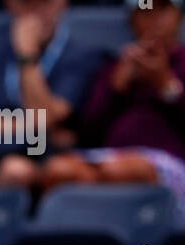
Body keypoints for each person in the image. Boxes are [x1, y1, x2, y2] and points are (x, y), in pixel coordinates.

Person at [37, 0, 185, 230]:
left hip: (167, 165)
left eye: (162, 12)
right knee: (59, 170)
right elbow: (88, 133)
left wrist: (166, 85)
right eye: (145, 13)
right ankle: (90, 234)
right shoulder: (112, 68)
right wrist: (116, 88)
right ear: (132, 21)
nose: (154, 22)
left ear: (178, 17)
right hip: (106, 159)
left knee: (127, 169)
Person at [0, 0, 102, 188]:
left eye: (44, 3)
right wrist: (36, 128)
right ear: (10, 4)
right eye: (27, 4)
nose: (36, 14)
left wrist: (27, 56)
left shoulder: (80, 56)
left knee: (18, 170)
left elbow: (48, 116)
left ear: (61, 4)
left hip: (48, 159)